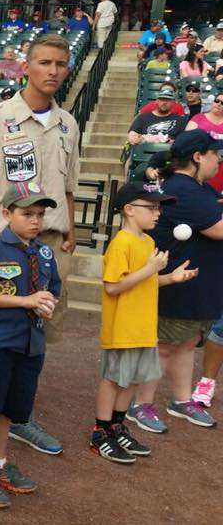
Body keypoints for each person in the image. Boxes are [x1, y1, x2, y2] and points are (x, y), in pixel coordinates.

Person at [0, 34, 80, 457]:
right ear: (26, 67)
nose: (53, 71)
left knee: (33, 331)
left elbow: (68, 187)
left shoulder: (68, 124)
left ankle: (18, 416)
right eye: (44, 62)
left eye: (60, 64)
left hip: (48, 243)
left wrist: (70, 232)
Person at [0, 182, 61, 509]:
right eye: (27, 214)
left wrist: (47, 304)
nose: (36, 221)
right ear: (6, 214)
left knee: (10, 409)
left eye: (40, 214)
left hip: (31, 344)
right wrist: (24, 301)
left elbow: (52, 290)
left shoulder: (44, 253)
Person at [92, 182, 196, 464]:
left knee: (133, 380)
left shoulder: (147, 242)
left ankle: (116, 427)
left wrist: (169, 278)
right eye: (151, 208)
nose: (157, 213)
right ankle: (100, 432)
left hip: (143, 328)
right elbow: (113, 287)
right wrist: (151, 268)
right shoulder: (121, 243)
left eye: (158, 208)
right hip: (123, 328)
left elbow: (144, 282)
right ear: (129, 210)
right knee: (114, 380)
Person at [128, 130, 223, 433]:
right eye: (214, 154)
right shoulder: (183, 188)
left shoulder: (197, 188)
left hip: (196, 282)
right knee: (165, 347)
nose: (218, 161)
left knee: (186, 344)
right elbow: (219, 229)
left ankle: (181, 400)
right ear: (197, 157)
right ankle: (140, 404)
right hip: (177, 283)